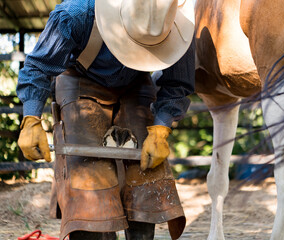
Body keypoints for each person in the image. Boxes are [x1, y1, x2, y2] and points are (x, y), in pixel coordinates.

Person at [16, 0, 195, 239]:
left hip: (135, 84)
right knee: (89, 186)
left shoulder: (177, 24)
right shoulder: (75, 14)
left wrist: (161, 128)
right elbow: (38, 66)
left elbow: (177, 84)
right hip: (82, 78)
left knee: (146, 179)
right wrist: (31, 118)